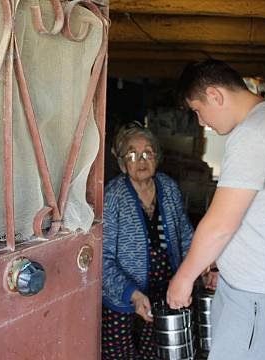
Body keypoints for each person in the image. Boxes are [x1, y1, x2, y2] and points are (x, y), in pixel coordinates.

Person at [167, 59, 265, 360]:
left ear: (215, 95)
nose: (201, 122)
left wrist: (184, 277)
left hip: (263, 294)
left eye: (197, 110)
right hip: (255, 288)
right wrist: (225, 263)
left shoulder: (253, 135)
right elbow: (256, 214)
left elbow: (221, 224)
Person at [102, 123, 194, 359]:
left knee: (160, 350)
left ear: (156, 156)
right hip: (122, 294)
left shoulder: (169, 188)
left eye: (147, 153)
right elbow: (103, 259)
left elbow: (185, 233)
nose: (141, 160)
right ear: (123, 162)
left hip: (166, 288)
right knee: (118, 354)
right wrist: (132, 294)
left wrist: (200, 267)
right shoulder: (113, 196)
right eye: (132, 154)